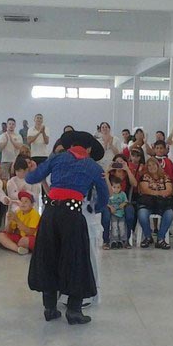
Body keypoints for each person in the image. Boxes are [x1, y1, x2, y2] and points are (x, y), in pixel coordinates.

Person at [25, 130, 108, 324]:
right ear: (88, 149)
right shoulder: (94, 167)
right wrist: (94, 207)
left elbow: (31, 178)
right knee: (76, 260)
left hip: (50, 214)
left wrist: (36, 170)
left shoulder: (57, 158)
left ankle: (50, 308)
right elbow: (103, 198)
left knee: (49, 257)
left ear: (70, 146)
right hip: (73, 215)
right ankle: (74, 311)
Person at [136, 155, 173, 249]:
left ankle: (160, 238)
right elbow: (145, 190)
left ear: (158, 165)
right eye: (149, 165)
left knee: (169, 213)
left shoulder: (165, 176)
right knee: (142, 214)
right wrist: (160, 193)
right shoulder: (144, 177)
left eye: (153, 165)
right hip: (148, 203)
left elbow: (169, 190)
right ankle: (148, 236)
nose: (151, 167)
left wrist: (154, 192)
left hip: (163, 203)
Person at [101, 153, 137, 249]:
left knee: (130, 213)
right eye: (117, 162)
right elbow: (105, 190)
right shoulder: (110, 175)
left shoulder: (127, 175)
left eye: (121, 162)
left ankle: (126, 240)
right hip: (109, 202)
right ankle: (106, 241)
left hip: (124, 202)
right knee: (106, 215)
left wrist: (127, 169)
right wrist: (108, 170)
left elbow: (134, 184)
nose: (119, 164)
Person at [106, 178, 129, 249]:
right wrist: (110, 207)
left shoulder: (123, 194)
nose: (116, 189)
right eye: (114, 187)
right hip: (114, 214)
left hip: (121, 214)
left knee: (121, 227)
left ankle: (121, 241)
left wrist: (123, 204)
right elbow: (106, 203)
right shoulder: (110, 195)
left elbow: (126, 201)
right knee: (114, 227)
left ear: (121, 187)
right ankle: (113, 241)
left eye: (118, 187)